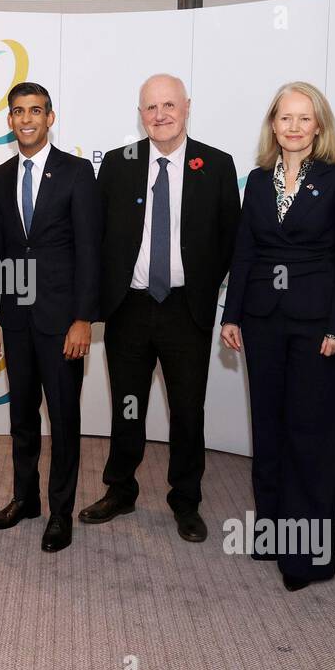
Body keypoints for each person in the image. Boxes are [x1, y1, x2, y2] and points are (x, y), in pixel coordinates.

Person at [85, 73, 241, 542]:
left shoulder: (215, 165)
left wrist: (209, 292)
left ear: (187, 106)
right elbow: (96, 240)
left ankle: (185, 499)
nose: (160, 115)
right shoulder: (117, 164)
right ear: (140, 114)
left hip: (185, 309)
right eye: (150, 108)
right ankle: (121, 489)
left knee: (188, 411)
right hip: (128, 309)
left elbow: (231, 242)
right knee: (127, 406)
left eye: (169, 105)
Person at [219, 82, 335, 590]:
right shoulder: (258, 182)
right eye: (285, 118)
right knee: (272, 427)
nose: (295, 127)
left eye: (305, 118)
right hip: (262, 319)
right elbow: (244, 251)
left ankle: (308, 553)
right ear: (273, 125)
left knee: (312, 435)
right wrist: (231, 314)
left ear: (319, 125)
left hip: (317, 325)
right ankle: (273, 529)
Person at [0, 82, 101, 553]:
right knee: (22, 416)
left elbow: (90, 251)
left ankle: (60, 512)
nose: (26, 118)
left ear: (51, 118)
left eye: (35, 110)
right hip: (17, 320)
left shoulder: (76, 172)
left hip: (62, 321)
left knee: (64, 418)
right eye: (17, 111)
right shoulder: (0, 175)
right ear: (9, 120)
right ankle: (24, 499)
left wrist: (83, 319)